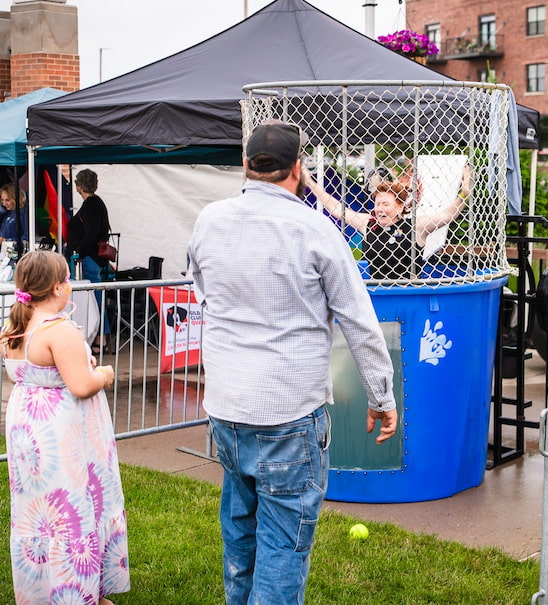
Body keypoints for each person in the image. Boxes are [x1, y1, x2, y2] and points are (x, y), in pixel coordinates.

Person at [187, 120, 398, 605]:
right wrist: (382, 396)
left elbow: (201, 288)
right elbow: (360, 322)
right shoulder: (315, 228)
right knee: (282, 543)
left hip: (227, 405)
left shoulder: (210, 219)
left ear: (246, 165)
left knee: (240, 531)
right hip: (287, 411)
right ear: (298, 170)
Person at [1, 250, 130, 605]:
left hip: (29, 432)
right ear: (57, 288)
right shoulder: (59, 330)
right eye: (67, 280)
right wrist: (104, 373)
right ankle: (78, 592)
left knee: (42, 512)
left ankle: (42, 590)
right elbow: (81, 384)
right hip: (63, 434)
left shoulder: (14, 327)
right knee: (76, 506)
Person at [305, 163, 470, 280]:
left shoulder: (415, 227)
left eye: (385, 204)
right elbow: (335, 208)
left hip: (409, 293)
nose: (380, 209)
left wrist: (464, 195)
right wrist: (309, 183)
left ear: (399, 207)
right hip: (379, 291)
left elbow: (447, 215)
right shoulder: (367, 223)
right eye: (377, 204)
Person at [67, 168, 112, 353]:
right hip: (91, 258)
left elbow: (91, 233)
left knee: (94, 299)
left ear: (79, 186)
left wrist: (80, 252)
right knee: (96, 297)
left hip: (89, 259)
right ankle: (102, 337)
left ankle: (101, 338)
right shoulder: (95, 203)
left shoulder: (92, 205)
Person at [0, 182, 29, 247]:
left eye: (7, 200)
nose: (4, 204)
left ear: (16, 198)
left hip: (16, 252)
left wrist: (7, 241)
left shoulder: (24, 213)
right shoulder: (7, 213)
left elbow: (27, 237)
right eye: (2, 200)